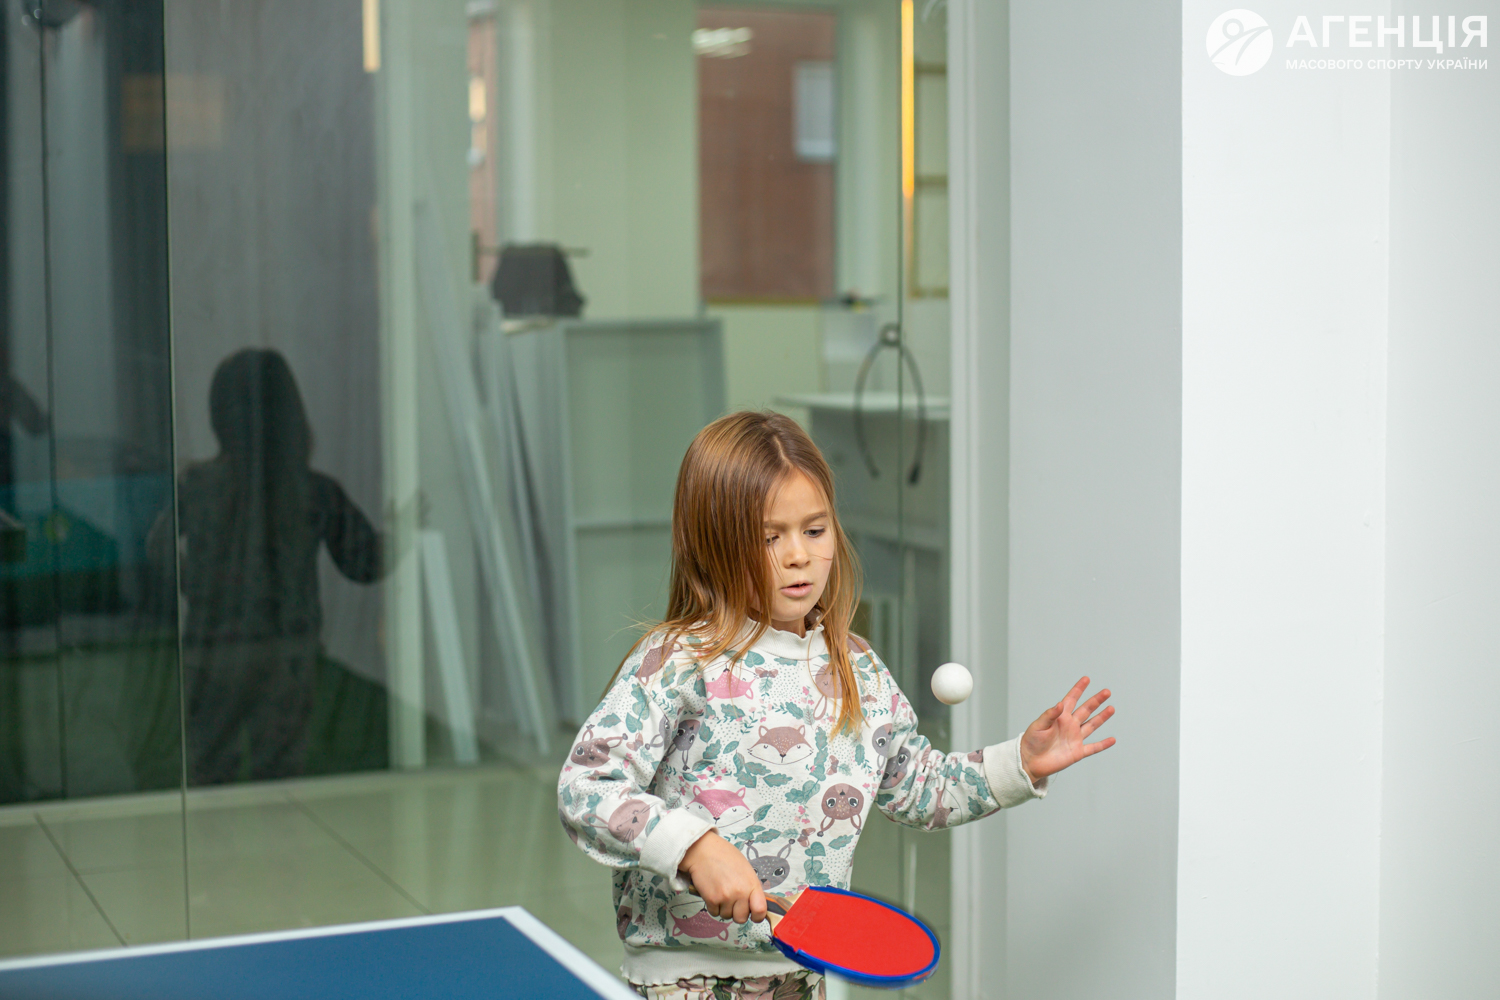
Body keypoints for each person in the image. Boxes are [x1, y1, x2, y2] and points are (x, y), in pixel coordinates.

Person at [558, 411, 1116, 999]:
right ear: (714, 543)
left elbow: (919, 788)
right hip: (683, 982)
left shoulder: (859, 668)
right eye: (769, 537)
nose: (798, 555)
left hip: (802, 975)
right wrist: (694, 846)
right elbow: (586, 788)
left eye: (815, 530)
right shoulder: (679, 659)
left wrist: (1019, 763)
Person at [167, 349, 385, 784]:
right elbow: (363, 563)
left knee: (210, 773)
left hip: (214, 653)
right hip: (287, 655)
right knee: (281, 777)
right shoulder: (314, 491)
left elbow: (154, 548)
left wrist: (200, 586)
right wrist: (405, 535)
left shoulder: (198, 487)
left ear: (219, 417)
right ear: (292, 415)